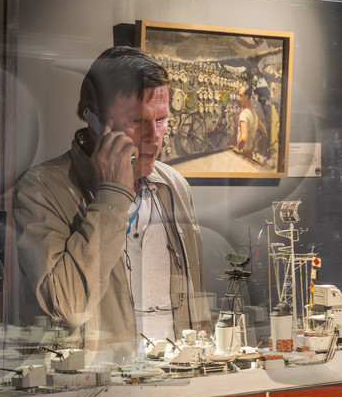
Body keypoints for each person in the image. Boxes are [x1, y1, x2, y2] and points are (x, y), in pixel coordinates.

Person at [14, 46, 209, 355]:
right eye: (137, 120)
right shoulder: (41, 188)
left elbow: (195, 304)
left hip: (174, 379)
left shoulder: (174, 186)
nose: (153, 136)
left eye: (161, 120)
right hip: (99, 390)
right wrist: (112, 196)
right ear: (93, 117)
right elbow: (70, 307)